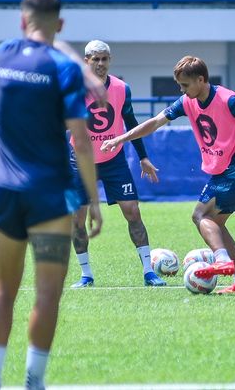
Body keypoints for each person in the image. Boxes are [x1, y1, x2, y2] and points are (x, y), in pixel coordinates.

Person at [102, 56, 235, 294]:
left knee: (200, 215)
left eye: (185, 85)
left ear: (201, 80)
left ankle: (222, 259)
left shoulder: (229, 99)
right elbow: (155, 122)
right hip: (223, 169)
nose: (182, 90)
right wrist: (121, 138)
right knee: (217, 224)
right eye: (180, 85)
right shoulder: (186, 101)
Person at [0, 0, 103, 390]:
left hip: (3, 190)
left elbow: (42, 40)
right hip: (49, 196)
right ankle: (34, 382)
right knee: (47, 294)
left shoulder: (1, 54)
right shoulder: (64, 69)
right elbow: (82, 142)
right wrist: (94, 201)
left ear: (22, 20)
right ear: (61, 25)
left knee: (4, 289)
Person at [68, 40, 163, 288]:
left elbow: (131, 123)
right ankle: (86, 275)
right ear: (86, 60)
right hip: (80, 162)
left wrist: (143, 157)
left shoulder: (122, 88)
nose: (100, 64)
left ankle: (148, 272)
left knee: (132, 211)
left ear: (110, 61)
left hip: (114, 160)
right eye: (95, 59)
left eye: (104, 59)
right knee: (78, 220)